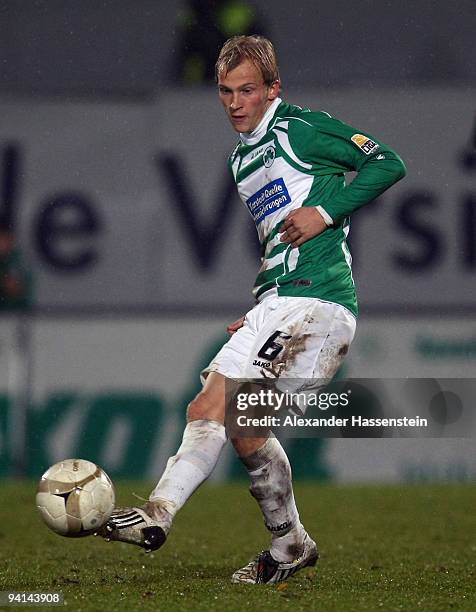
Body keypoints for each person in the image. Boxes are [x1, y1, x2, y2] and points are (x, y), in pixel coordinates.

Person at [100, 35, 406, 584]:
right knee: (207, 410)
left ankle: (232, 532)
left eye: (248, 90)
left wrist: (326, 212)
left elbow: (388, 163)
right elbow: (276, 241)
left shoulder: (301, 129)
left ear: (273, 89)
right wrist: (264, 299)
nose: (236, 102)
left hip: (320, 304)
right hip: (278, 301)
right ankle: (173, 518)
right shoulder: (242, 160)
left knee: (243, 420)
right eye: (225, 91)